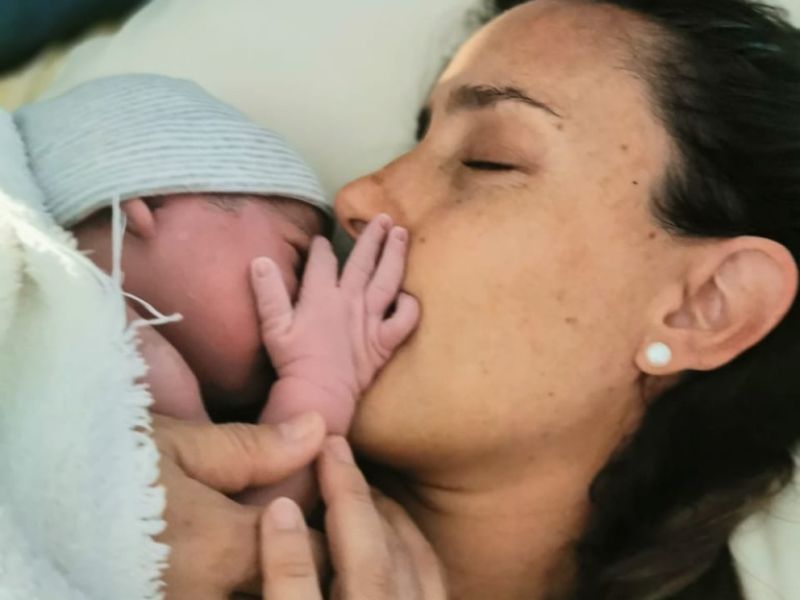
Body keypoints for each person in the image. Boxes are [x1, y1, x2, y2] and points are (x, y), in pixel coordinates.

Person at [250, 0, 800, 598]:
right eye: (419, 139)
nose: (357, 196)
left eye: (488, 160)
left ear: (703, 306)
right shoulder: (152, 483)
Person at [14, 73, 419, 507]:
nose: (313, 309)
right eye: (299, 262)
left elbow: (208, 536)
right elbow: (257, 529)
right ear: (148, 204)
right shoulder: (88, 327)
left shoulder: (153, 386)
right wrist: (322, 383)